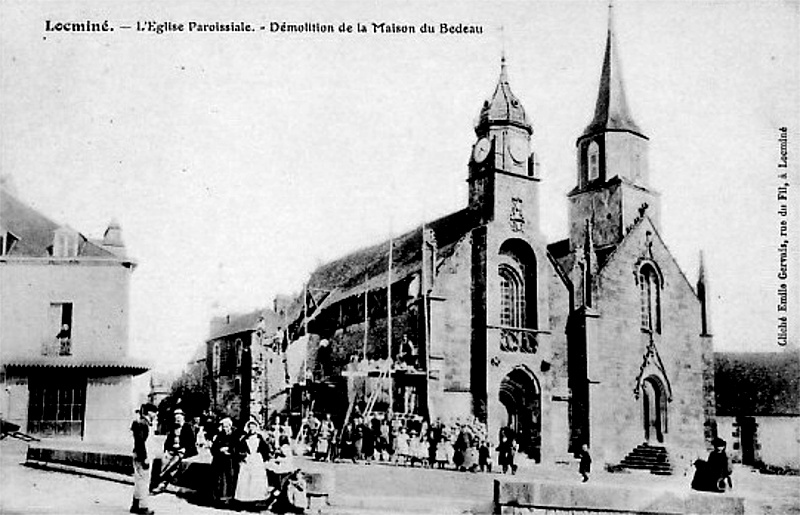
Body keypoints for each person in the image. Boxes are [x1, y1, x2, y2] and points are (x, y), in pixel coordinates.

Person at [153, 408, 198, 493]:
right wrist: (167, 450)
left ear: (183, 418)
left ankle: (162, 478)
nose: (177, 419)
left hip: (184, 450)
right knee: (165, 458)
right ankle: (163, 478)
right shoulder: (173, 428)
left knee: (175, 461)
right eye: (176, 417)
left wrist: (183, 448)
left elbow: (191, 443)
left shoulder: (187, 427)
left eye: (179, 417)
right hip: (173, 450)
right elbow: (167, 442)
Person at [234, 418, 271, 508]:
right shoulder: (244, 439)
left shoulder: (260, 438)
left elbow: (265, 450)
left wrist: (265, 458)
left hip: (257, 460)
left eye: (253, 427)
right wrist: (243, 456)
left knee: (256, 481)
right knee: (246, 480)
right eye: (250, 427)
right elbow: (239, 450)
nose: (251, 429)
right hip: (247, 460)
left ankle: (257, 501)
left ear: (256, 428)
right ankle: (246, 501)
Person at [130, 403, 158, 515]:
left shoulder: (142, 423)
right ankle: (143, 507)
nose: (156, 414)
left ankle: (135, 505)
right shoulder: (143, 424)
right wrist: (145, 458)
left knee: (139, 480)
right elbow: (140, 443)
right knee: (143, 482)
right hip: (142, 457)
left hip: (140, 455)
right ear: (149, 412)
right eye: (155, 412)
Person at [210, 417, 238, 507]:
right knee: (219, 479)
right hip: (219, 460)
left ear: (230, 426)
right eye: (223, 427)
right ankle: (218, 499)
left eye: (226, 426)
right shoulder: (219, 436)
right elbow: (213, 449)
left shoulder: (234, 435)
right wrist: (220, 450)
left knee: (229, 479)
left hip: (230, 461)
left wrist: (229, 449)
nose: (225, 428)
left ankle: (228, 499)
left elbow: (237, 447)